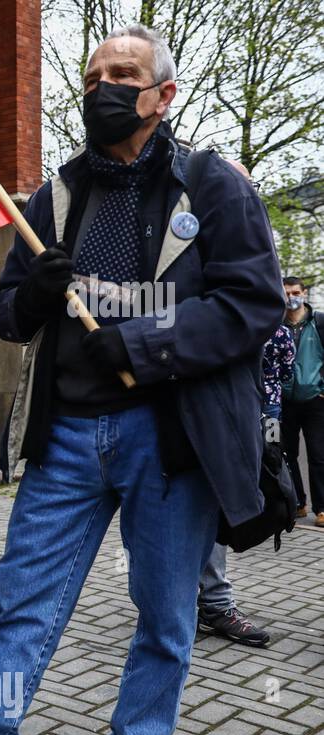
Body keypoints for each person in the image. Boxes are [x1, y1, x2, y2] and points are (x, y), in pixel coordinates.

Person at [0, 24, 283, 735]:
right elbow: (5, 316)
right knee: (18, 608)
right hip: (66, 441)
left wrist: (143, 345)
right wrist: (35, 296)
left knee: (165, 620)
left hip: (170, 442)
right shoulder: (55, 198)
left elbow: (252, 305)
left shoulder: (213, 187)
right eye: (95, 72)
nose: (104, 85)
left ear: (163, 94)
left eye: (125, 74)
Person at [195, 159, 290, 648]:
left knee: (242, 489)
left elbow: (270, 340)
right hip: (197, 403)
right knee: (201, 499)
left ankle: (208, 601)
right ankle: (201, 603)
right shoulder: (199, 236)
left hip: (252, 406)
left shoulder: (253, 247)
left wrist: (269, 410)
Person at [280, 276, 324, 526]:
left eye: (295, 292)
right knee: (288, 453)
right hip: (286, 400)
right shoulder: (276, 324)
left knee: (318, 455)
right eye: (286, 293)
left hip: (314, 400)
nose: (291, 297)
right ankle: (298, 502)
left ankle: (321, 508)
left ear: (304, 293)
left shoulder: (318, 322)